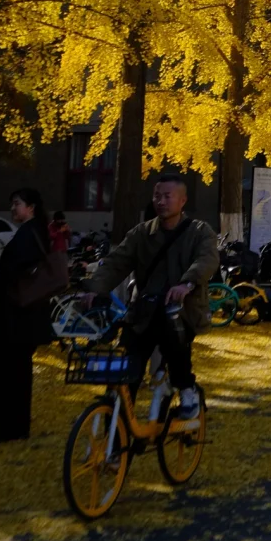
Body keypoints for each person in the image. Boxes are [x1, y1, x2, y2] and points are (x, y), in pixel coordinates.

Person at [87, 174, 219, 417]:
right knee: (125, 372)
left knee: (176, 348)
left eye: (167, 196)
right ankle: (116, 438)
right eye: (157, 196)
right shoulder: (142, 233)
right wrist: (95, 290)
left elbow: (207, 260)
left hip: (181, 311)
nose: (161, 201)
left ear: (182, 201)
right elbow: (116, 263)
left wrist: (186, 284)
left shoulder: (200, 232)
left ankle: (187, 391)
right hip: (143, 312)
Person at [0, 188, 56, 442]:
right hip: (27, 312)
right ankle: (17, 426)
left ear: (31, 207)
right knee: (18, 370)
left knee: (8, 370)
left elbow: (14, 271)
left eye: (17, 203)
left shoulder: (30, 234)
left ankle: (9, 428)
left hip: (16, 314)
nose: (13, 209)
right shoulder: (36, 232)